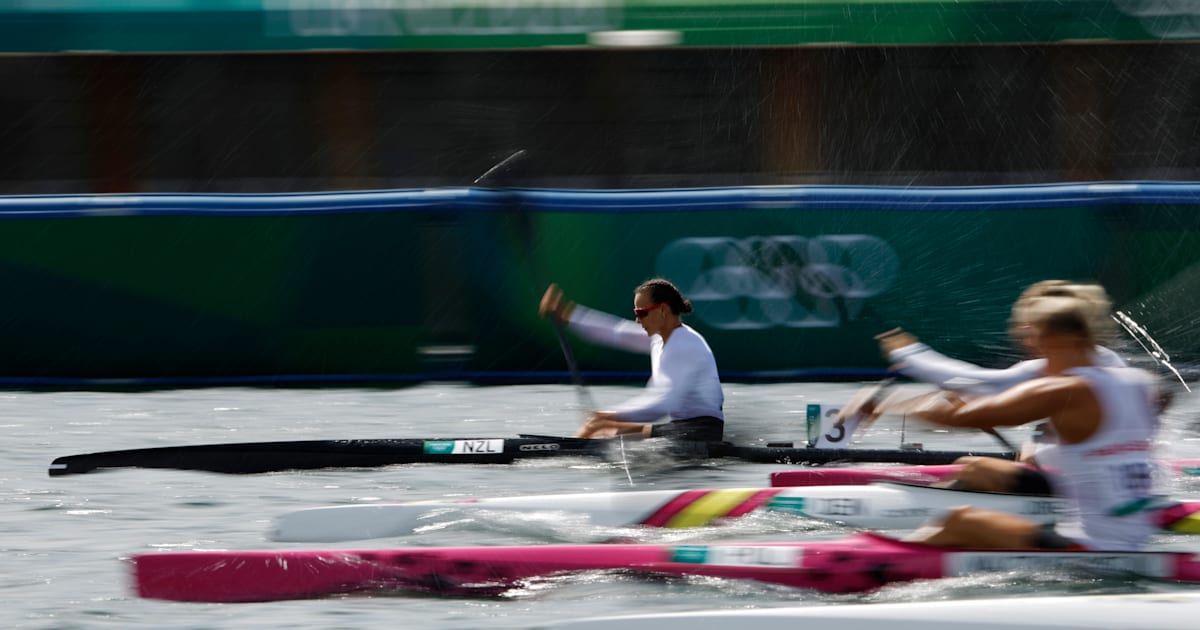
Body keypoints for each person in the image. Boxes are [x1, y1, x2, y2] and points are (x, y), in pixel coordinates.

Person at [856, 295, 1161, 550]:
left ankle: (887, 561)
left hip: (1088, 547)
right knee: (982, 475)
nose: (1033, 350)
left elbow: (965, 417)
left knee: (961, 521)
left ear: (1056, 339)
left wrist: (885, 404)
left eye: (1035, 340)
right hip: (1135, 540)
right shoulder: (1143, 383)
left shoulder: (1064, 389)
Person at [874, 280, 1128, 495]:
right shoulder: (1110, 363)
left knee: (975, 468)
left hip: (1092, 489)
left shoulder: (1056, 369)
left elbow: (980, 386)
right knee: (1032, 448)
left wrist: (907, 357)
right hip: (1116, 474)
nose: (1025, 336)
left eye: (1029, 327)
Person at [539, 279, 725, 441]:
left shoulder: (684, 345)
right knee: (605, 430)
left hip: (699, 433)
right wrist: (569, 315)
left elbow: (661, 404)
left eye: (641, 313)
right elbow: (615, 333)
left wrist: (607, 416)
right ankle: (574, 446)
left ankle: (569, 449)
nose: (638, 320)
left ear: (662, 309)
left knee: (604, 429)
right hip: (682, 430)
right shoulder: (660, 338)